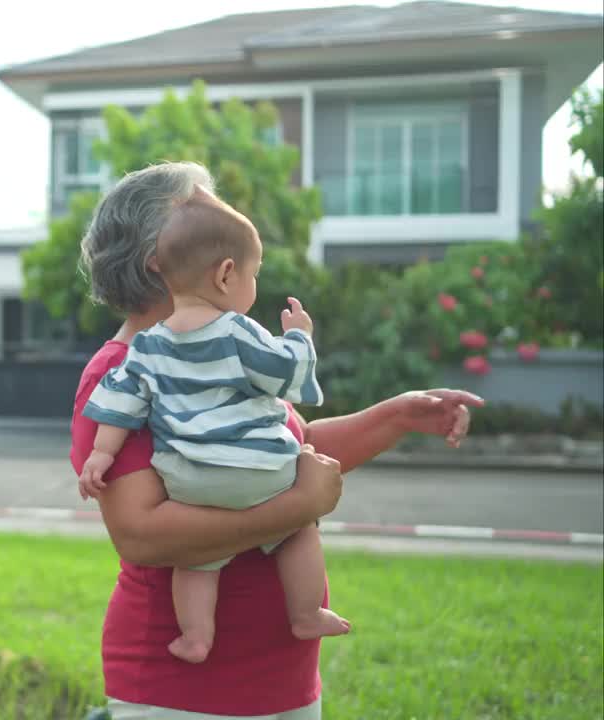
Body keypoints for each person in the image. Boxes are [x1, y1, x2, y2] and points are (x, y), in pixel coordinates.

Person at [70, 161, 483, 719]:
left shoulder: (225, 349)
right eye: (203, 214)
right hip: (183, 692)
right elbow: (144, 535)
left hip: (281, 680)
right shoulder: (121, 371)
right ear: (160, 259)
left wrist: (397, 417)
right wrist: (300, 507)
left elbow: (292, 445)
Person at [79, 189, 349, 665]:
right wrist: (300, 338)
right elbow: (287, 375)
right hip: (265, 472)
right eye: (254, 275)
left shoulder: (147, 347)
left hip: (193, 479)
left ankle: (196, 636)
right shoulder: (239, 332)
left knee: (196, 561)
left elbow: (119, 402)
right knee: (299, 531)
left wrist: (101, 455)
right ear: (226, 274)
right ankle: (307, 613)